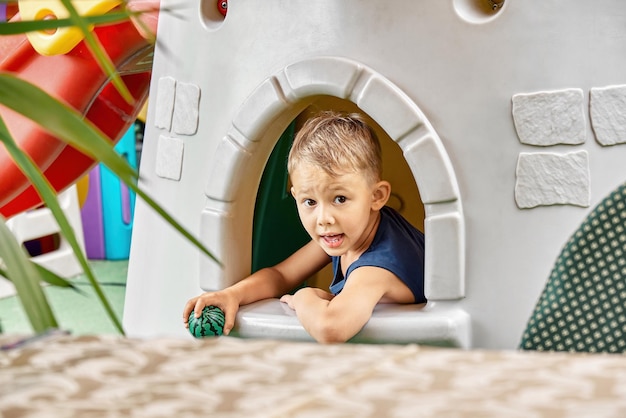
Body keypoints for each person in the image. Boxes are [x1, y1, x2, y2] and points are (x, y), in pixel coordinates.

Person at [183, 111, 426, 343]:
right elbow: (280, 275)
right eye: (309, 202)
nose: (323, 219)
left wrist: (304, 296)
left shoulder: (376, 267)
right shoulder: (349, 232)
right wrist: (232, 294)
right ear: (295, 196)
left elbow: (331, 329)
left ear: (377, 196)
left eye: (340, 199)